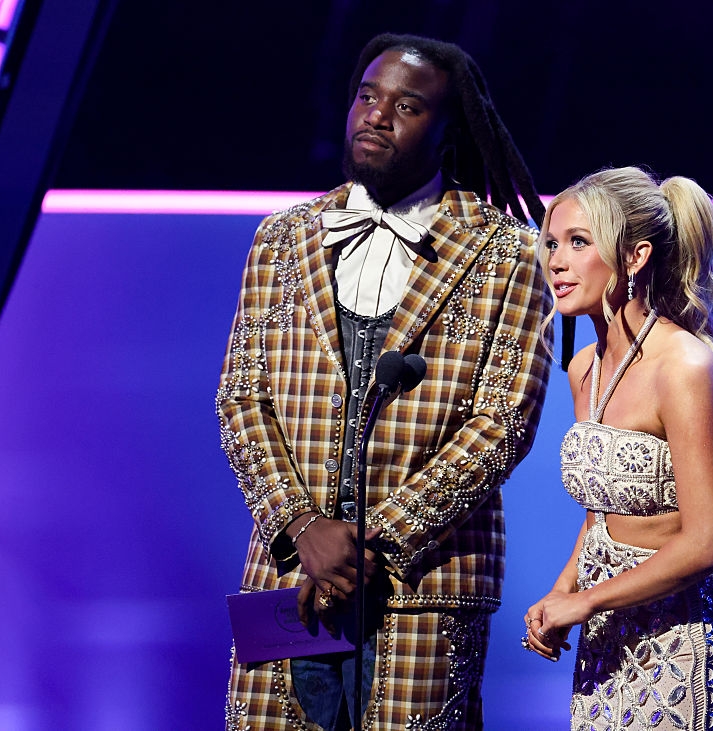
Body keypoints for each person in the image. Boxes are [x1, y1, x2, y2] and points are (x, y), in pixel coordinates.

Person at [216, 33, 553, 731]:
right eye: (367, 97)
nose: (376, 115)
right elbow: (242, 398)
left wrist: (376, 542)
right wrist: (302, 527)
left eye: (407, 106)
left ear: (448, 129)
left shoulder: (508, 252)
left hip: (424, 584)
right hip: (288, 576)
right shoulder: (281, 238)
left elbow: (503, 423)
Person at [523, 167, 713, 730]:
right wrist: (561, 591)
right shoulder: (584, 368)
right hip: (610, 635)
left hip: (688, 637)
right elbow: (601, 516)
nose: (557, 261)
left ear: (634, 257)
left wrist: (585, 601)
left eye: (579, 243)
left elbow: (706, 544)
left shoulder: (683, 367)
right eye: (552, 244)